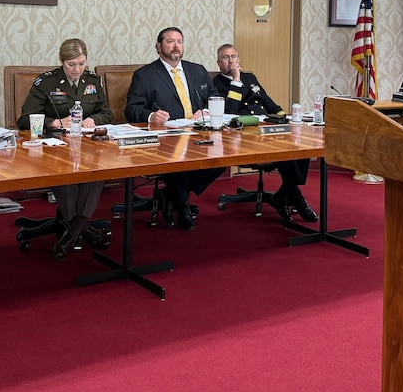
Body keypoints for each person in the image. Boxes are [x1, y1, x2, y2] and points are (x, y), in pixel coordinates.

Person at [17, 38, 113, 260]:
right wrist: (54, 123)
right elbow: (24, 120)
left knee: (97, 170)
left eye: (81, 64)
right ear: (61, 61)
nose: (77, 69)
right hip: (56, 146)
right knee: (65, 170)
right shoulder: (46, 82)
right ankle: (80, 228)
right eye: (71, 64)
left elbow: (107, 113)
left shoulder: (93, 81)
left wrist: (94, 119)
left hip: (87, 145)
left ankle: (73, 231)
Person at [124, 27, 223, 230]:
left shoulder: (198, 70)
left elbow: (214, 96)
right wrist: (151, 116)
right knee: (177, 159)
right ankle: (182, 205)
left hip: (198, 131)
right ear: (159, 46)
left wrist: (205, 111)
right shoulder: (145, 75)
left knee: (221, 157)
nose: (176, 46)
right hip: (167, 137)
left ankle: (170, 194)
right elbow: (131, 109)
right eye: (170, 42)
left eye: (179, 41)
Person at [212, 44, 317, 223]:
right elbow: (229, 112)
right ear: (218, 62)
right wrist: (236, 80)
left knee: (298, 144)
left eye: (234, 56)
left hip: (266, 127)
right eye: (226, 58)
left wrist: (287, 118)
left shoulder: (250, 77)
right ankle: (295, 198)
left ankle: (284, 195)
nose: (231, 61)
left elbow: (268, 102)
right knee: (284, 150)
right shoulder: (217, 83)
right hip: (244, 133)